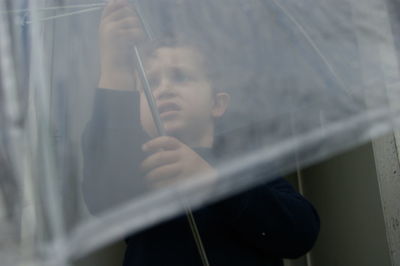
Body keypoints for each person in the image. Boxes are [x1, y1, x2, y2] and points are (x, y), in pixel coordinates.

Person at [82, 0, 320, 265]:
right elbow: (101, 196)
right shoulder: (137, 165)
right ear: (137, 109)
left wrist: (214, 181)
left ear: (217, 103)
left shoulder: (243, 163)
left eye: (181, 77)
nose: (165, 89)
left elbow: (301, 233)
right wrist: (114, 69)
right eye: (151, 83)